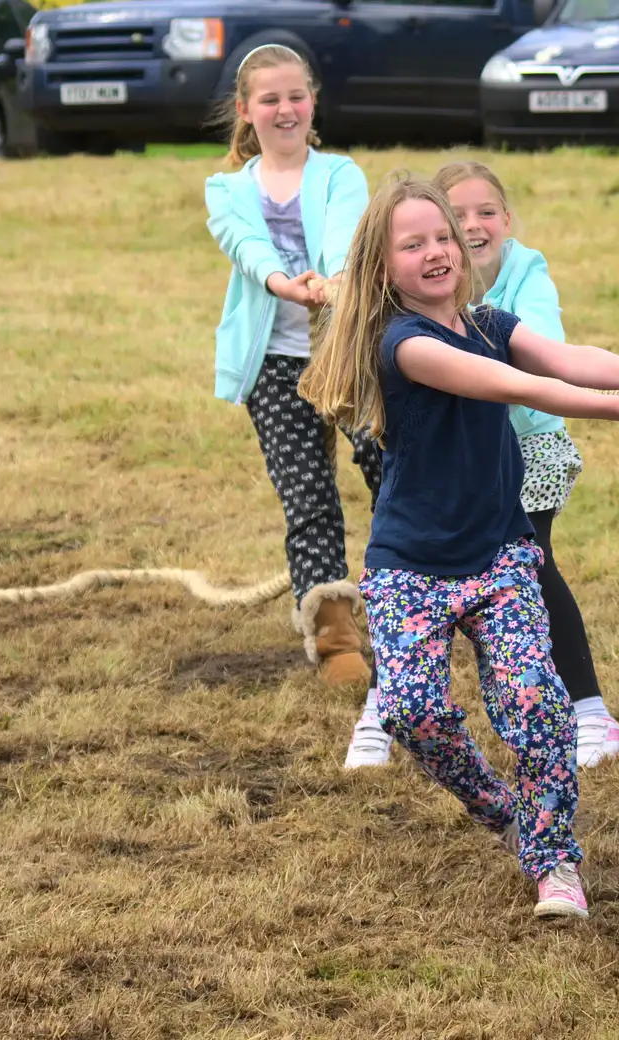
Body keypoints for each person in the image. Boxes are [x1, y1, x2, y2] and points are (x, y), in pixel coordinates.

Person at [298, 176, 619, 919]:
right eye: (412, 244)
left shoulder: (489, 319)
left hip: (500, 557)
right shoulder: (405, 344)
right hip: (408, 567)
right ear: (382, 266)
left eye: (443, 237)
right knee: (412, 712)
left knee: (537, 705)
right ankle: (502, 810)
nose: (435, 253)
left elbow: (561, 358)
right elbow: (525, 388)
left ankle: (554, 861)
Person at [439, 159, 619, 767]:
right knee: (431, 579)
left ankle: (591, 712)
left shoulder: (526, 270)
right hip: (459, 455)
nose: (474, 225)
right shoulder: (428, 277)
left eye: (486, 212)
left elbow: (543, 344)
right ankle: (392, 708)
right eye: (458, 215)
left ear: (507, 219)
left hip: (532, 445)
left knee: (532, 567)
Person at [204, 43, 379, 689]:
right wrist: (284, 283)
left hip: (348, 352)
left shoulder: (341, 173)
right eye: (270, 99)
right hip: (275, 365)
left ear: (312, 102)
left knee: (388, 470)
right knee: (307, 498)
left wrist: (331, 281)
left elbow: (346, 231)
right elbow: (244, 245)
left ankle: (406, 608)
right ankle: (334, 637)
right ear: (247, 111)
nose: (285, 109)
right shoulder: (226, 189)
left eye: (296, 96)